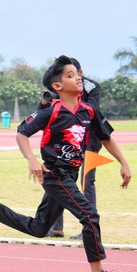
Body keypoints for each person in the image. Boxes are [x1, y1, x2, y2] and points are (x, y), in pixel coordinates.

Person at [0, 55, 135, 272]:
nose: (78, 77)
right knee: (89, 216)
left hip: (70, 174)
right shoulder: (51, 112)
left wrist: (124, 163)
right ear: (57, 87)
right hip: (55, 175)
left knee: (40, 228)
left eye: (77, 73)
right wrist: (32, 159)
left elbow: (106, 137)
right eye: (70, 75)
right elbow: (21, 133)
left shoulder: (89, 111)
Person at [49, 62, 104, 240]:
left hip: (90, 139)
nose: (74, 78)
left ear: (80, 71)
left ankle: (89, 229)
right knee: (60, 179)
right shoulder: (58, 85)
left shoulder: (92, 86)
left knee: (87, 182)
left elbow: (92, 112)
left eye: (74, 73)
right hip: (68, 139)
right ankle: (56, 228)